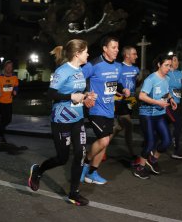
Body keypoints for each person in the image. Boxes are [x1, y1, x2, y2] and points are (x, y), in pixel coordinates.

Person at [28, 39, 94, 206]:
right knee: (62, 158)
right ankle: (38, 170)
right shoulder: (62, 71)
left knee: (81, 153)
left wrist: (86, 96)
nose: (88, 54)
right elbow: (50, 94)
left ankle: (74, 193)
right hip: (61, 120)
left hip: (77, 119)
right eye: (86, 51)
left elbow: (76, 91)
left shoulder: (80, 70)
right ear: (77, 54)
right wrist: (71, 97)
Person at [80, 35, 130, 185]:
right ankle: (85, 163)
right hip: (95, 109)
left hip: (109, 109)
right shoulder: (94, 64)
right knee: (104, 140)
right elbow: (78, 80)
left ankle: (92, 173)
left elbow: (116, 84)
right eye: (113, 47)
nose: (117, 50)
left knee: (105, 143)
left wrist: (124, 90)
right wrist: (85, 96)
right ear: (105, 49)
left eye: (117, 47)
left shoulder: (118, 66)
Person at [133, 54, 175, 179]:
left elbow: (166, 92)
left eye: (170, 65)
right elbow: (141, 96)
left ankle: (152, 160)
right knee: (150, 143)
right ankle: (139, 167)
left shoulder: (167, 79)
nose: (168, 68)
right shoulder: (151, 79)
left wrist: (171, 99)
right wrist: (158, 102)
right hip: (147, 114)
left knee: (167, 141)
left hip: (160, 114)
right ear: (159, 65)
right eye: (166, 65)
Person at [112, 46, 140, 165]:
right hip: (120, 101)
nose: (136, 56)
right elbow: (113, 83)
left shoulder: (136, 69)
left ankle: (101, 146)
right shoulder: (118, 67)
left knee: (118, 127)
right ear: (127, 55)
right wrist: (121, 91)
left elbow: (135, 83)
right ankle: (132, 154)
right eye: (134, 54)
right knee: (129, 126)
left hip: (130, 101)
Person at [0, 60, 19, 144]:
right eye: (8, 67)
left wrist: (15, 91)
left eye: (11, 67)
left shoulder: (15, 78)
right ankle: (2, 136)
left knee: (8, 120)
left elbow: (16, 87)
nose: (9, 68)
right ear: (5, 67)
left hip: (9, 101)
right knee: (4, 119)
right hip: (0, 101)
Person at [166, 55, 182, 159]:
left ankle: (154, 144)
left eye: (177, 60)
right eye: (175, 60)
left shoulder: (180, 73)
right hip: (169, 104)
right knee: (178, 125)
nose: (177, 62)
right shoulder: (166, 73)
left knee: (164, 126)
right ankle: (177, 149)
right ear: (170, 61)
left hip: (178, 103)